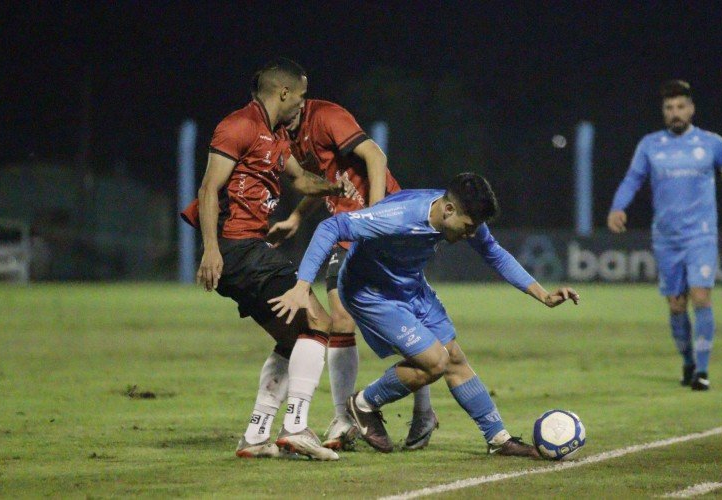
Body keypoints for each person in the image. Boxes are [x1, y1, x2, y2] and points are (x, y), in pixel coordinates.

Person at [268, 173, 579, 456]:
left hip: (410, 285)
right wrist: (302, 284)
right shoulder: (400, 216)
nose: (472, 235)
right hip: (370, 292)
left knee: (454, 356)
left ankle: (499, 439)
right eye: (468, 228)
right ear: (448, 211)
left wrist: (543, 294)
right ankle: (362, 404)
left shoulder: (458, 215)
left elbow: (493, 252)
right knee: (435, 361)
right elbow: (331, 226)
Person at [183, 57, 357, 461]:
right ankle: (296, 426)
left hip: (249, 249)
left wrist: (333, 186)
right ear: (283, 92)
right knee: (318, 321)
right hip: (238, 248)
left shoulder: (276, 136)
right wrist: (211, 248)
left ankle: (256, 435)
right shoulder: (238, 125)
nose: (303, 103)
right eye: (301, 95)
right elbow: (210, 189)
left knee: (292, 336)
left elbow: (300, 179)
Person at [266, 99, 438, 451]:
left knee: (400, 321)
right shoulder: (288, 133)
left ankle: (422, 410)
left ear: (290, 97)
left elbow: (375, 156)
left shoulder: (327, 116)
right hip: (347, 232)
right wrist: (298, 218)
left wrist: (374, 218)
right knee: (341, 319)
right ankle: (345, 417)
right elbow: (324, 182)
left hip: (383, 226)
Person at [607, 80, 722, 391]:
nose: (675, 113)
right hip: (666, 238)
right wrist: (618, 207)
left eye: (681, 107)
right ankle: (688, 361)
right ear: (664, 112)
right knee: (677, 306)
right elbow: (632, 179)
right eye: (669, 108)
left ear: (691, 109)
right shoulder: (650, 145)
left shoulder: (712, 144)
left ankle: (703, 371)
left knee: (701, 297)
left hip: (701, 235)